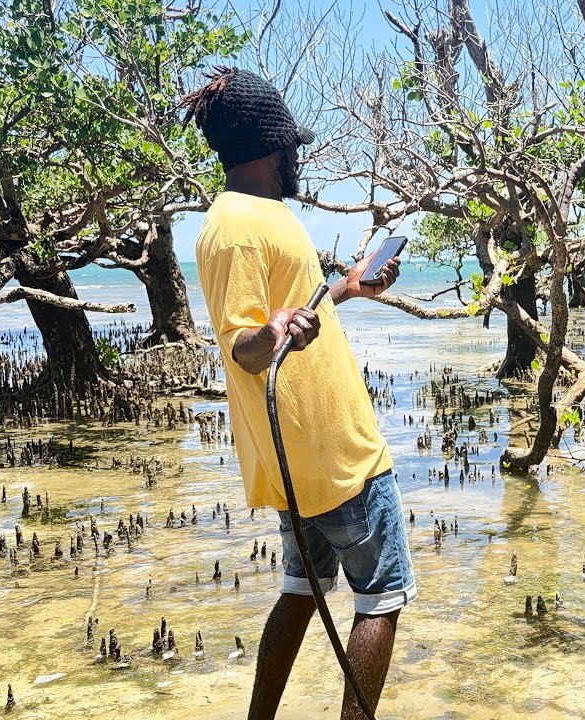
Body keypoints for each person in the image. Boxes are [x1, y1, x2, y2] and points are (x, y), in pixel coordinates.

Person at [182, 67, 414, 720]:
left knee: (301, 589)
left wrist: (350, 289)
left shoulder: (261, 216)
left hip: (297, 457)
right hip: (334, 450)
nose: (300, 160)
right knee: (383, 597)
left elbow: (298, 307)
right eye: (296, 149)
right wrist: (270, 330)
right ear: (275, 148)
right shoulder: (234, 226)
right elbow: (243, 345)